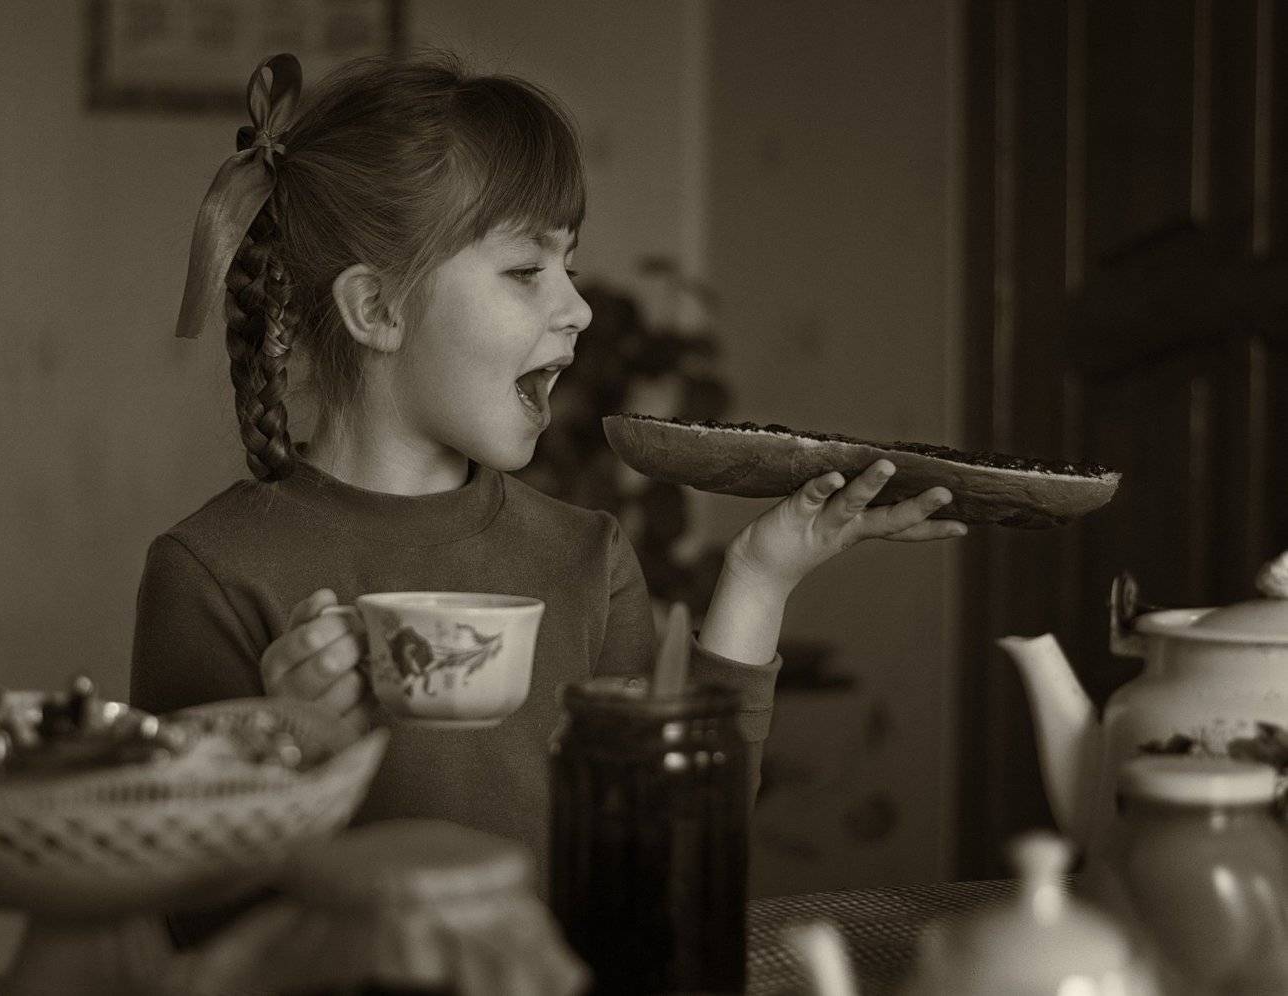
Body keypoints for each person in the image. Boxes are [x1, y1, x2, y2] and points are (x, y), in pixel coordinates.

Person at [127, 46, 962, 942]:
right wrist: (277, 755)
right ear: (378, 309)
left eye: (571, 266)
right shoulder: (211, 573)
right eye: (527, 270)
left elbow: (679, 845)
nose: (579, 308)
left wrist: (761, 576)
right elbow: (195, 930)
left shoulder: (587, 558)